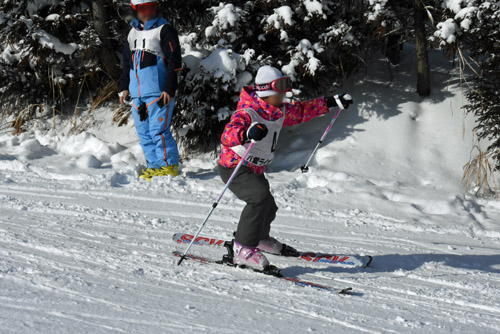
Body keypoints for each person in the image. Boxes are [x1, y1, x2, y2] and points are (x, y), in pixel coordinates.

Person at [219, 65, 353, 270]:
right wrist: (247, 134)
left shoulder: (277, 111)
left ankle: (259, 238)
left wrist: (330, 102)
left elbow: (301, 111)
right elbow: (228, 135)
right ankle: (242, 248)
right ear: (266, 92)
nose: (284, 97)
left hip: (254, 168)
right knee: (259, 198)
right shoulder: (248, 113)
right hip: (235, 167)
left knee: (269, 205)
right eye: (279, 93)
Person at [119, 0, 182, 179]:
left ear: (156, 7)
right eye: (142, 8)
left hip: (158, 92)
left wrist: (169, 89)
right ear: (136, 10)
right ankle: (154, 167)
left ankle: (168, 167)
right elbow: (126, 64)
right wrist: (123, 87)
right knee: (144, 133)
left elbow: (174, 62)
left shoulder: (165, 30)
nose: (147, 12)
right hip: (137, 94)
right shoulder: (132, 33)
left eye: (151, 7)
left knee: (158, 131)